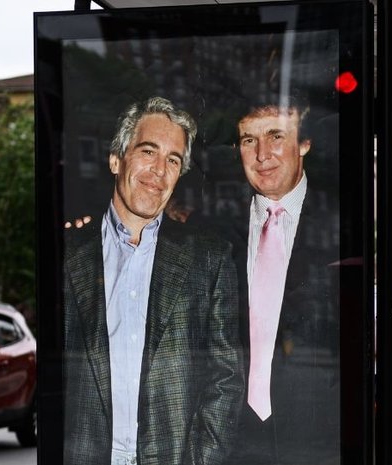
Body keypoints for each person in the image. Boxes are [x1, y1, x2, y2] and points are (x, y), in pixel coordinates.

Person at [63, 96, 244, 465]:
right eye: (148, 151)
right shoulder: (68, 254)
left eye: (173, 160)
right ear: (116, 159)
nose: (159, 170)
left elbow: (225, 380)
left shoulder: (209, 259)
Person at [226, 95, 341, 465]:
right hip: (232, 440)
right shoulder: (215, 231)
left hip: (319, 439)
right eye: (249, 140)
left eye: (276, 136)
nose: (262, 155)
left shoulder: (343, 225)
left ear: (304, 143)